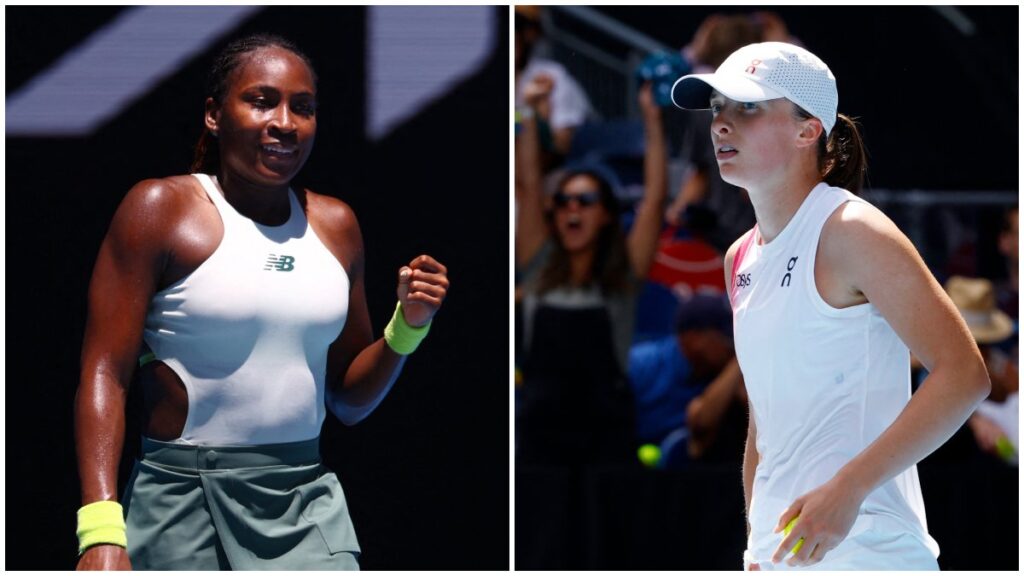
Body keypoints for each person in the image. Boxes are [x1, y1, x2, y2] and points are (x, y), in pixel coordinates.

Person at [74, 34, 449, 570]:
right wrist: (100, 528)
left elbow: (348, 399)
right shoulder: (158, 209)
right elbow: (104, 374)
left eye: (303, 107)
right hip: (178, 501)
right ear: (213, 114)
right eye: (261, 100)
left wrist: (408, 327)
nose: (285, 122)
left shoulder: (337, 226)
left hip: (306, 504)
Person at [671, 42, 990, 569]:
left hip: (870, 550)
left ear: (808, 128)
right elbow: (763, 427)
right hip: (782, 553)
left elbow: (965, 376)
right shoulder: (739, 257)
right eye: (718, 107)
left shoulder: (852, 230)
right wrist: (757, 541)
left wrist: (848, 491)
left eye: (747, 107)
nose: (722, 123)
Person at [516, 80, 666, 465]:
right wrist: (531, 113)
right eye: (564, 202)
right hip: (541, 436)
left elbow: (653, 199)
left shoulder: (624, 275)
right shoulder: (536, 263)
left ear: (605, 215)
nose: (572, 210)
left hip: (606, 436)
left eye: (584, 201)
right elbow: (527, 186)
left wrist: (652, 117)